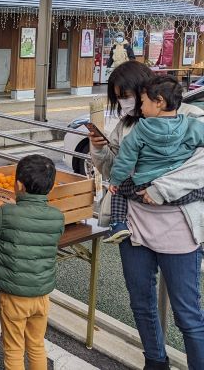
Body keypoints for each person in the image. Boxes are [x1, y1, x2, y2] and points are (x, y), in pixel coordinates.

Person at [90, 60, 204, 370]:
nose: (126, 102)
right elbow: (113, 170)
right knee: (141, 302)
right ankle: (155, 361)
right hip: (134, 225)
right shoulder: (127, 124)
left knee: (187, 313)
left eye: (127, 94)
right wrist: (99, 149)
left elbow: (199, 169)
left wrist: (160, 189)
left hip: (179, 225)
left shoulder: (191, 117)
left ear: (148, 90)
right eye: (119, 97)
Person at [0, 155, 64, 370]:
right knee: (36, 344)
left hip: (14, 295)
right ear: (50, 189)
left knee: (14, 348)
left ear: (18, 185)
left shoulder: (6, 213)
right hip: (41, 294)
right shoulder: (57, 217)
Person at [105, 75, 204, 243]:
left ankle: (118, 224)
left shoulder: (140, 129)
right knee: (200, 191)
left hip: (144, 185)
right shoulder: (192, 125)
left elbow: (125, 159)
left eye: (142, 102)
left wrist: (115, 180)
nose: (140, 107)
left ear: (159, 102)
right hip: (178, 192)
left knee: (119, 189)